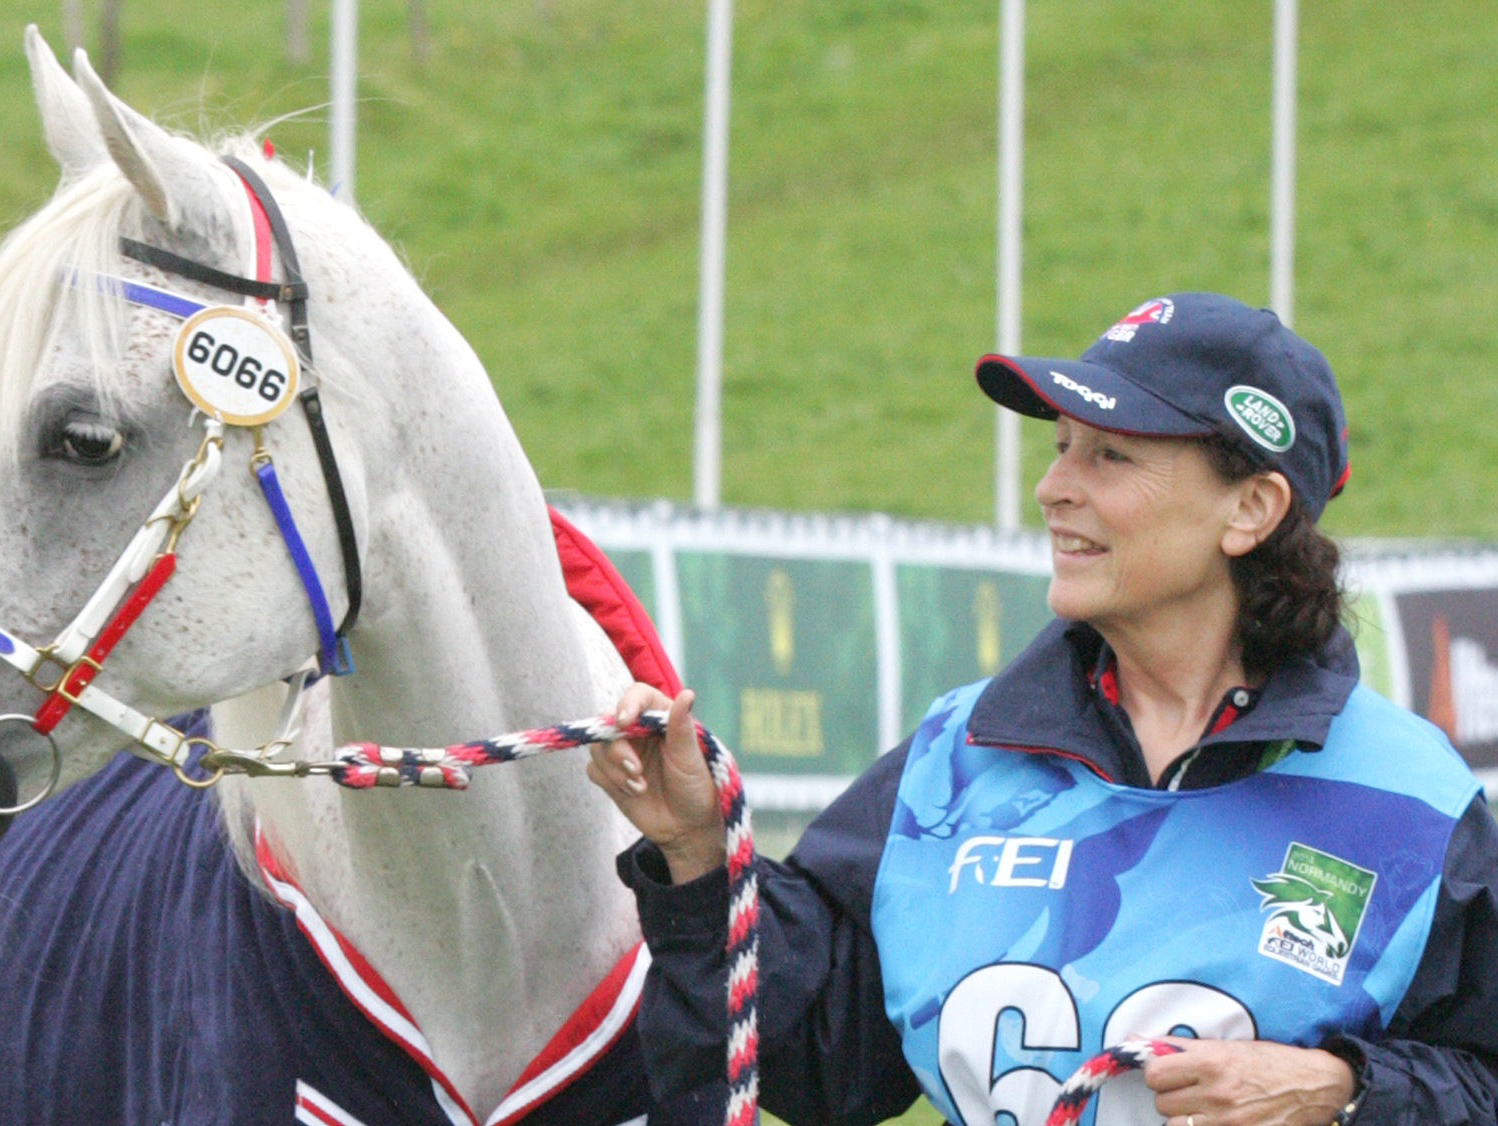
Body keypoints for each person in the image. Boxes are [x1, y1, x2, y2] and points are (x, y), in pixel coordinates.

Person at [588, 293, 1498, 1126]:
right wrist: (699, 853)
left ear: (1250, 509)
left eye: (1111, 455)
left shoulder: (1412, 802)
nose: (1054, 487)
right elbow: (825, 1058)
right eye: (1062, 446)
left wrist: (1342, 1092)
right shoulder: (957, 756)